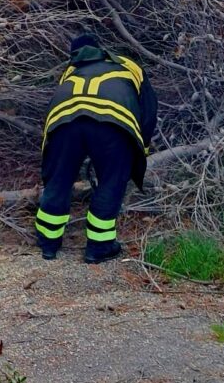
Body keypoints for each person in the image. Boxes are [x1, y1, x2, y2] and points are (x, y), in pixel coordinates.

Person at [35, 34, 158, 265]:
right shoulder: (128, 65)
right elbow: (149, 110)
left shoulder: (71, 71)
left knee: (59, 179)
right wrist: (141, 149)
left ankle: (47, 243)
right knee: (112, 180)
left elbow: (53, 111)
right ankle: (99, 247)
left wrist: (51, 160)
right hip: (114, 122)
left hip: (64, 120)